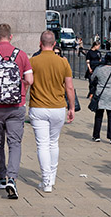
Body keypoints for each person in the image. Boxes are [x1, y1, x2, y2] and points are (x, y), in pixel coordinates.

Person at [0, 23, 33, 200]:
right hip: (17, 106)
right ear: (10, 37)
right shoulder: (21, 55)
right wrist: (16, 86)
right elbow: (29, 79)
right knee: (15, 143)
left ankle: (1, 176)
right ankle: (12, 178)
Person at [29, 30, 74, 194]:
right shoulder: (63, 62)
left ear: (40, 44)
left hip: (38, 107)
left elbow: (26, 84)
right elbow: (69, 87)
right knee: (53, 142)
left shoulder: (32, 61)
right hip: (58, 107)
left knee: (42, 144)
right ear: (54, 44)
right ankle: (52, 177)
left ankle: (46, 181)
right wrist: (72, 107)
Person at [89, 51, 111, 143]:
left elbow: (92, 78)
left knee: (99, 115)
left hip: (100, 93)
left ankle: (96, 136)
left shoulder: (99, 69)